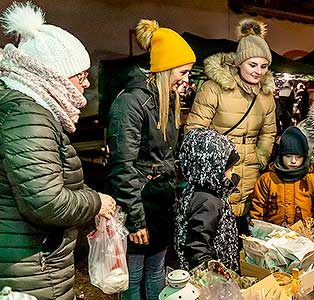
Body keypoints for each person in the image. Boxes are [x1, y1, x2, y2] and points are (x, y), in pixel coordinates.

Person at [0, 2, 116, 299]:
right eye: (80, 76)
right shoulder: (28, 116)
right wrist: (95, 202)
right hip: (32, 269)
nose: (86, 84)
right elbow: (45, 202)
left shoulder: (26, 109)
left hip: (27, 263)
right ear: (53, 76)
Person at [105, 19, 195, 300]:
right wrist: (135, 220)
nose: (186, 79)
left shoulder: (167, 100)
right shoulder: (131, 103)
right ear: (166, 69)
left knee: (156, 269)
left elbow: (166, 155)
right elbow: (122, 167)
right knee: (132, 277)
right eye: (183, 72)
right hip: (139, 203)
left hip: (159, 202)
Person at [185, 19, 276, 230]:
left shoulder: (266, 95)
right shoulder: (213, 88)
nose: (258, 71)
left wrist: (260, 156)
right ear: (239, 62)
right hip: (218, 175)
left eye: (264, 66)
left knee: (245, 238)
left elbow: (269, 132)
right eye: (252, 65)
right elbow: (194, 132)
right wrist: (217, 164)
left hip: (251, 174)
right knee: (214, 235)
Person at [175, 128, 240, 271]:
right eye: (229, 169)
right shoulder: (207, 200)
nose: (233, 172)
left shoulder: (206, 191)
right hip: (211, 279)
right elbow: (197, 247)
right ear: (212, 169)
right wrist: (213, 275)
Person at [250, 127, 314, 226]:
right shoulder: (267, 179)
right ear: (281, 156)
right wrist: (257, 228)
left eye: (298, 157)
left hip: (305, 234)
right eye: (288, 156)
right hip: (273, 235)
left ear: (304, 157)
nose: (293, 161)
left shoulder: (312, 179)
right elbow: (258, 207)